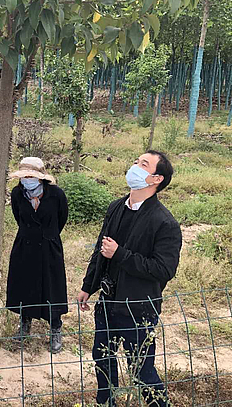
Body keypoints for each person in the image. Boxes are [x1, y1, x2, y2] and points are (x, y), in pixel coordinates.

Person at [76, 151, 182, 407]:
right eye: (135, 161)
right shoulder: (116, 207)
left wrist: (120, 254)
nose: (134, 166)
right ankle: (106, 403)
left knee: (140, 370)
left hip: (138, 307)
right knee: (102, 359)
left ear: (156, 179)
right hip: (108, 301)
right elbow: (101, 250)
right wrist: (88, 286)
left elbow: (163, 269)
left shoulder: (165, 223)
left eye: (143, 164)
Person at [5, 157, 68, 353]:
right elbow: (18, 217)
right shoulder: (17, 193)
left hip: (49, 246)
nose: (27, 180)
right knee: (25, 285)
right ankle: (25, 324)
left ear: (41, 177)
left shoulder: (56, 194)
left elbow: (62, 218)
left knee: (52, 287)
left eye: (31, 176)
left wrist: (48, 234)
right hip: (25, 245)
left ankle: (55, 327)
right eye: (24, 176)